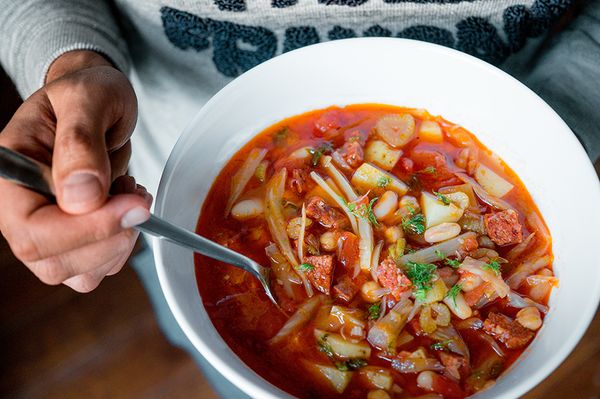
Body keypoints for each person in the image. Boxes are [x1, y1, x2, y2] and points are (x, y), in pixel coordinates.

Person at [0, 1, 598, 397]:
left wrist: (547, 130)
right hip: (167, 207)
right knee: (217, 354)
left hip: (533, 115)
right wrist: (72, 66)